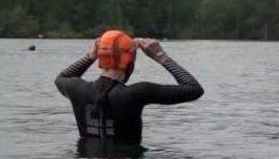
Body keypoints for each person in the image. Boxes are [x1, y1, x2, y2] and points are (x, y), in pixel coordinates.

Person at [55, 30, 204, 144]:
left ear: (100, 60)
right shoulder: (137, 93)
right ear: (129, 63)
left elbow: (61, 78)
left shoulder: (77, 89)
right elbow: (193, 89)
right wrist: (161, 56)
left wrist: (90, 56)